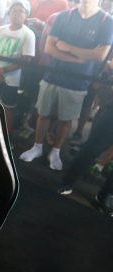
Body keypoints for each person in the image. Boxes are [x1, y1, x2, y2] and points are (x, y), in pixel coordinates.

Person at [19, 0, 113, 171]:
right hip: (53, 74)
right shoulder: (64, 16)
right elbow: (49, 47)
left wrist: (67, 47)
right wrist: (80, 57)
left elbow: (101, 55)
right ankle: (37, 146)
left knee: (66, 119)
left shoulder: (107, 21)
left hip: (79, 81)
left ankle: (55, 151)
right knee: (43, 113)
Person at [0, 0, 35, 132]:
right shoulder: (0, 30)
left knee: (8, 108)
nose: (16, 14)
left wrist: (3, 71)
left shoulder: (28, 34)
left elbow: (26, 59)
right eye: (13, 11)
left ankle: (6, 138)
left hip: (12, 79)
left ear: (26, 15)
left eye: (20, 11)